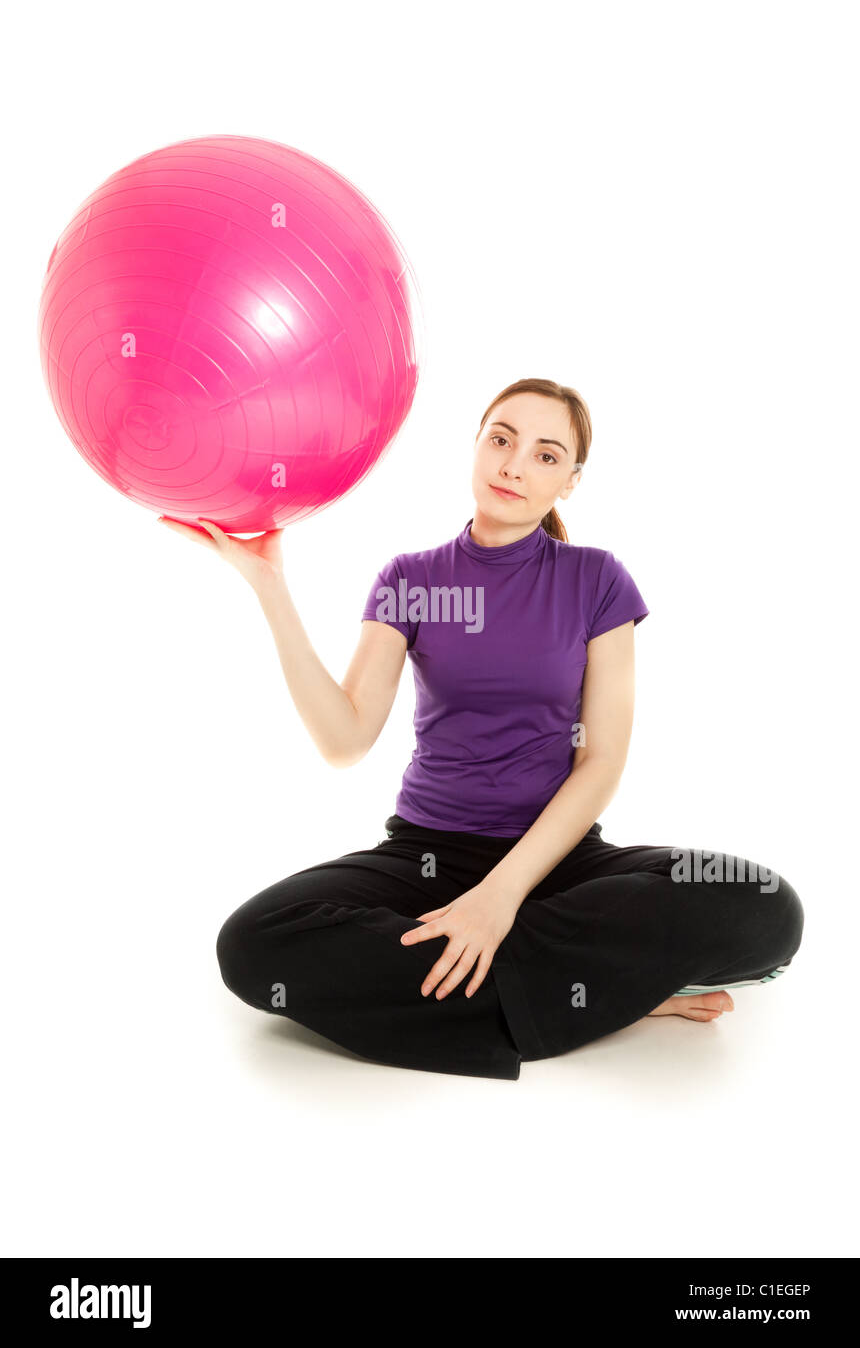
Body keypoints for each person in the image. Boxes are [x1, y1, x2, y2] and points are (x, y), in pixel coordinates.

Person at [160, 377, 804, 1081]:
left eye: (545, 454)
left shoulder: (597, 582)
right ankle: (605, 992)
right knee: (254, 944)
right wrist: (271, 591)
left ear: (570, 481)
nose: (514, 464)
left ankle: (543, 981)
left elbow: (602, 764)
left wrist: (500, 900)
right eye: (501, 439)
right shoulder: (410, 579)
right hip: (427, 859)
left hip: (557, 862)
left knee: (765, 905)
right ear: (475, 445)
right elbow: (344, 741)